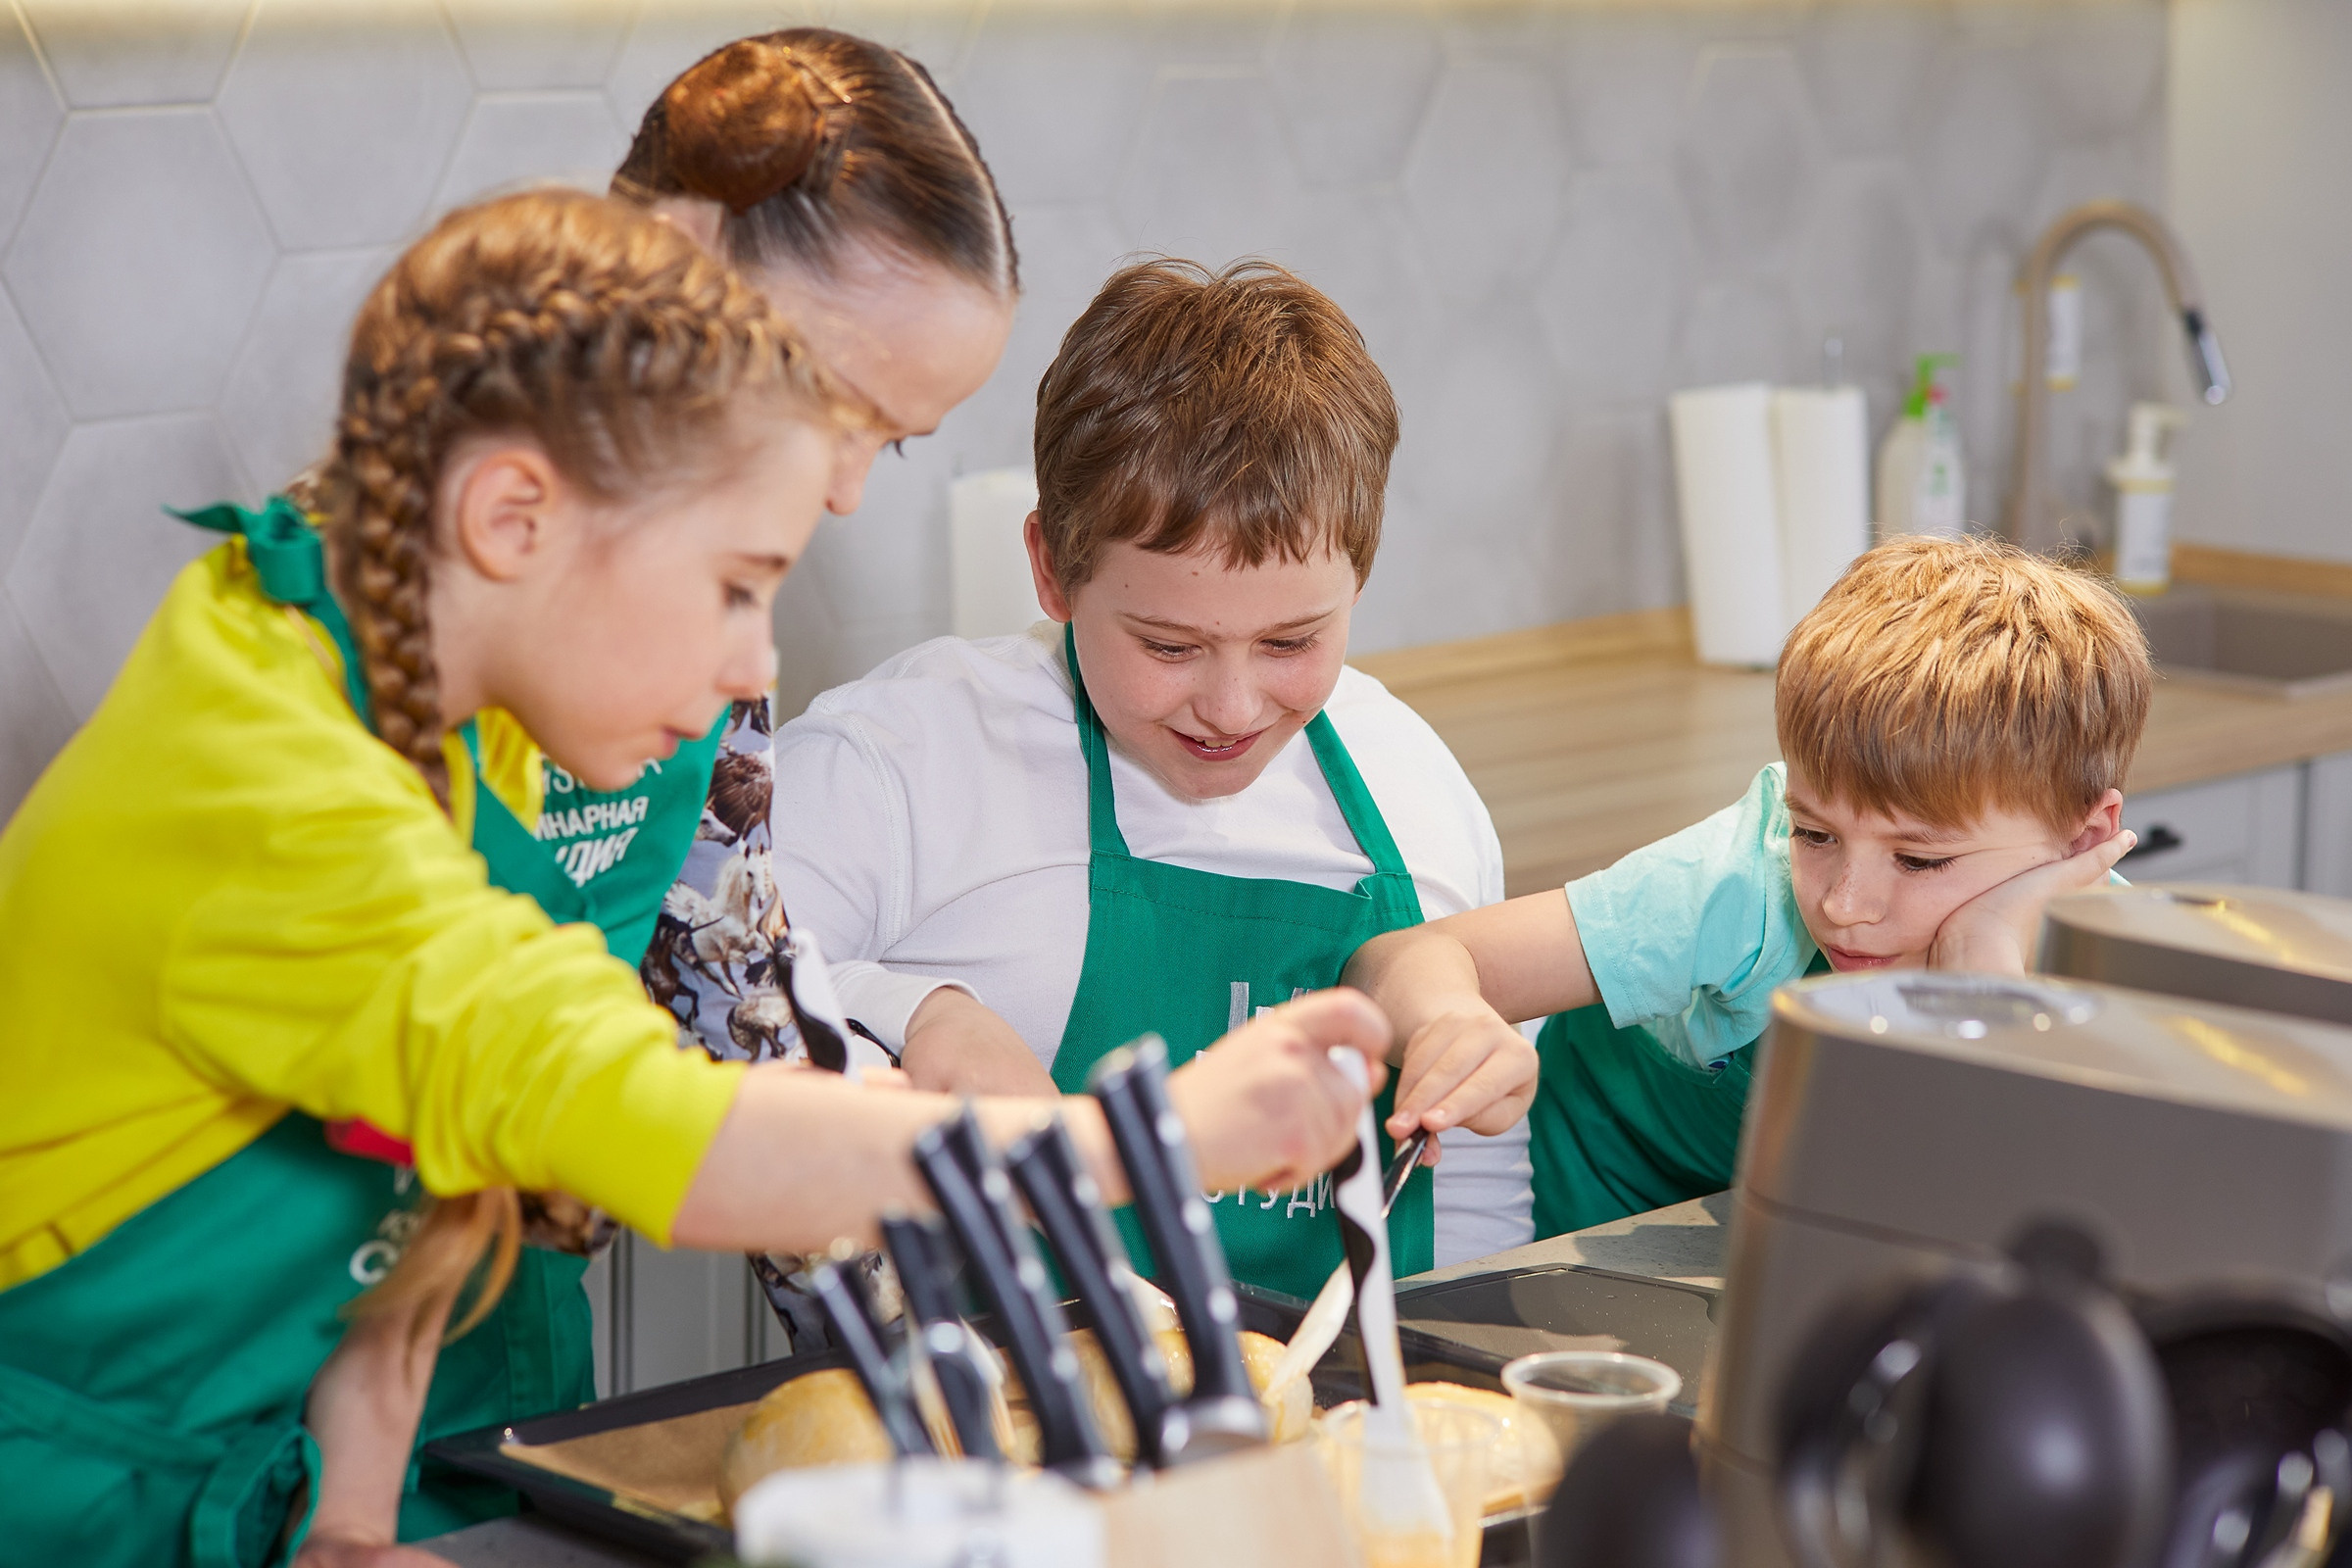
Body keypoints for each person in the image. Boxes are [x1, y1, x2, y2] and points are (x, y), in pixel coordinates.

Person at [0, 190, 1388, 1568]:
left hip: (261, 1479)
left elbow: (421, 1181)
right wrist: (1155, 1139)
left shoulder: (450, 706)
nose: (754, 668)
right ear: (513, 519)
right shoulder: (280, 795)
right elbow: (671, 1133)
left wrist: (351, 1523)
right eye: (733, 586)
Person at [404, 28, 1028, 1536]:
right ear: (678, 258)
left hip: (482, 1362)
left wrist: (936, 1361)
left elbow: (734, 1005)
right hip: (193, 1411)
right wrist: (1134, 1143)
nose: (845, 489)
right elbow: (598, 1102)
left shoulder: (702, 650)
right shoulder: (352, 635)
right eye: (831, 398)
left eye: (892, 444)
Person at [770, 259, 1542, 1299]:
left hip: (1340, 1394)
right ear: (1051, 569)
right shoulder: (897, 763)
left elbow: (1473, 1184)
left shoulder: (1417, 790)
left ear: (1358, 578)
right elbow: (711, 1012)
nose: (1232, 706)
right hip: (989, 1395)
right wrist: (917, 1013)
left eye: (1291, 641)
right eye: (1170, 646)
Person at [1344, 534, 2152, 1239]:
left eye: (1919, 861)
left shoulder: (2127, 971)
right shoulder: (1742, 885)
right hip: (1602, 1218)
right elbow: (1395, 962)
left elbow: (2035, 1221)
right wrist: (1448, 1020)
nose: (1842, 904)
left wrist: (1984, 976)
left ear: (2082, 842)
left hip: (1810, 1230)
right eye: (1815, 834)